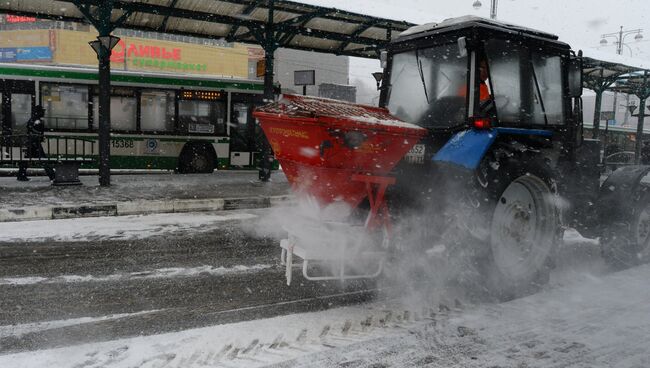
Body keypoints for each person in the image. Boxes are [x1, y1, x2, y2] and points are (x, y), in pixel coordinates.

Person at [17, 105, 55, 181]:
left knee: (26, 160)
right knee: (43, 160)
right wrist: (39, 136)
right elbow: (34, 131)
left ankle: (21, 175)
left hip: (32, 143)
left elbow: (31, 129)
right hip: (35, 143)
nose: (44, 113)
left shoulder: (34, 119)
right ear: (39, 112)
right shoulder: (36, 120)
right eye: (43, 111)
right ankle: (52, 176)